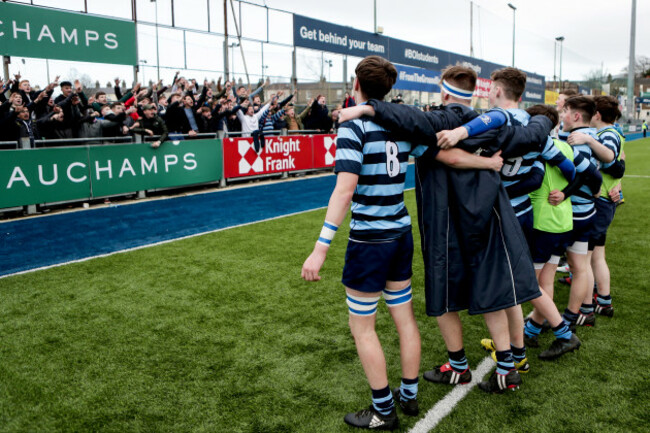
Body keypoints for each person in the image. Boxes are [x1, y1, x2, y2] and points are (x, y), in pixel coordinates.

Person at [338, 65, 556, 393]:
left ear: (443, 92)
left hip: (445, 220)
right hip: (486, 214)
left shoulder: (442, 119)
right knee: (493, 288)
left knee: (444, 293)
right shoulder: (494, 124)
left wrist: (368, 107)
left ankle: (458, 366)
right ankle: (507, 368)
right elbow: (536, 132)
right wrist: (541, 120)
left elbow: (418, 124)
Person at [437, 68, 582, 363]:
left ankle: (562, 332)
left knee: (518, 282)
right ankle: (516, 349)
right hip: (524, 212)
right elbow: (569, 170)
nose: (489, 95)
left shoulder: (496, 121)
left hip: (503, 213)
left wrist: (459, 134)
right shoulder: (535, 127)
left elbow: (489, 126)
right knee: (513, 283)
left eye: (491, 90)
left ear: (498, 92)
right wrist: (564, 190)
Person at [567, 95, 625, 317]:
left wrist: (589, 141)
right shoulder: (609, 133)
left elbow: (611, 160)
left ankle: (586, 308)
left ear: (597, 115)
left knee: (587, 259)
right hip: (605, 202)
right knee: (596, 255)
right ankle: (604, 301)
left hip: (600, 202)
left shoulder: (607, 134)